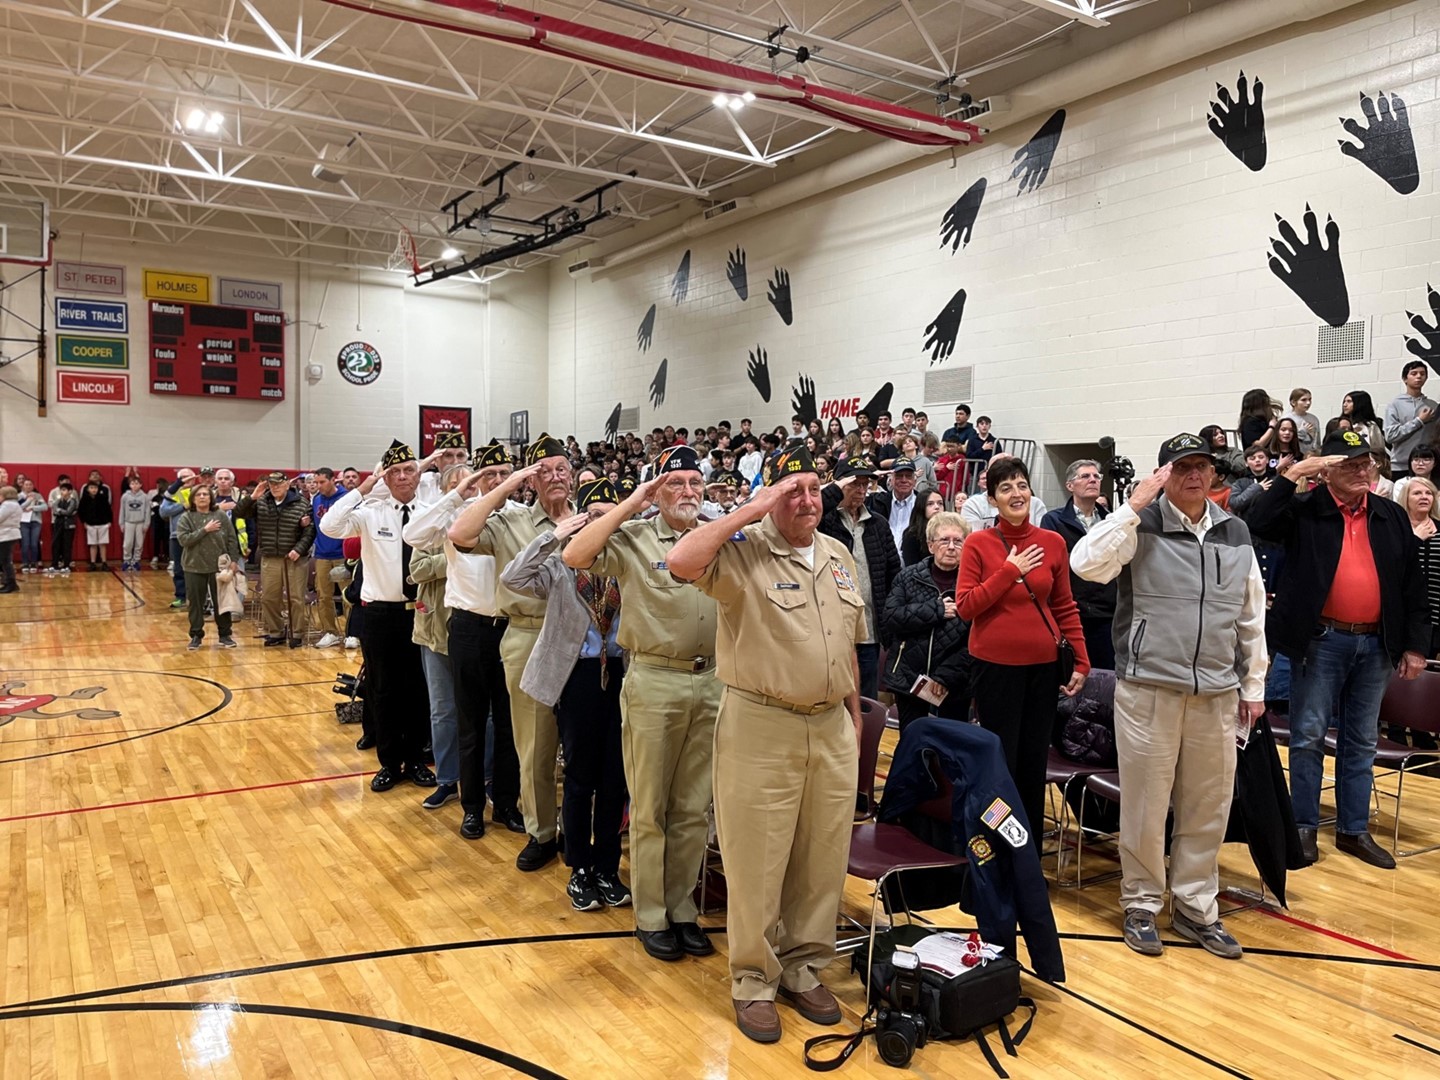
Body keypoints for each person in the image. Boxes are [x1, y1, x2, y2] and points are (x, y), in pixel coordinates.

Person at [668, 445, 864, 1045]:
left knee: (821, 856)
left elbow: (848, 642)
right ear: (772, 497)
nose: (806, 500)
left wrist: (854, 716)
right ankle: (753, 979)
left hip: (832, 726)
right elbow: (680, 561)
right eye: (791, 490)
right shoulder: (743, 553)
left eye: (814, 488)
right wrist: (749, 511)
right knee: (758, 859)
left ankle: (803, 966)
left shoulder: (836, 554)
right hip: (761, 724)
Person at [1071, 433, 1268, 960]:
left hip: (1216, 692)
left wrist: (1254, 685)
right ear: (1163, 475)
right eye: (1182, 467)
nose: (1195, 475)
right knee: (1146, 804)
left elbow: (1251, 614)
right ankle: (1140, 904)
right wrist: (1131, 507)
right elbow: (1085, 564)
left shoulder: (1235, 530)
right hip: (1149, 687)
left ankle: (1196, 905)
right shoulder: (1141, 524)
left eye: (1202, 466)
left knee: (1207, 806)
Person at [562, 445, 721, 961]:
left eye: (695, 483)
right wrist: (633, 502)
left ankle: (682, 908)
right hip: (654, 680)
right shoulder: (634, 537)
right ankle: (651, 913)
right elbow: (575, 556)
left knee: (694, 808)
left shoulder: (715, 536)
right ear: (657, 489)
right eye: (675, 483)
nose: (688, 493)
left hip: (713, 682)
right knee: (651, 806)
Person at [1247, 430, 1430, 870]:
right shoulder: (1306, 509)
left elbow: (1412, 584)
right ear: (1325, 470)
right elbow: (1257, 522)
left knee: (1361, 740)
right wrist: (1292, 475)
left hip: (1376, 643)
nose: (1362, 471)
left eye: (1366, 463)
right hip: (1321, 641)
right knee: (1308, 735)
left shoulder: (1389, 514)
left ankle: (1353, 830)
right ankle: (1304, 827)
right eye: (1349, 464)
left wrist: (1415, 646)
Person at [503, 478, 632, 914]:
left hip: (621, 673)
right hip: (576, 676)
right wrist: (552, 535)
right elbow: (513, 576)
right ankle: (578, 866)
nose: (599, 524)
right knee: (580, 776)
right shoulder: (561, 564)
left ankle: (607, 867)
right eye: (592, 516)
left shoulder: (627, 561)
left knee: (616, 778)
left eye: (607, 517)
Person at [448, 435, 575, 871]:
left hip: (584, 642)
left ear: (572, 474)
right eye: (544, 471)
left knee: (583, 743)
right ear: (531, 480)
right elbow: (460, 533)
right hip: (527, 635)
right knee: (535, 743)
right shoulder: (510, 519)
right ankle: (541, 831)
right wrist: (506, 485)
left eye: (561, 468)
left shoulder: (591, 516)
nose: (555, 477)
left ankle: (578, 831)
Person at [957, 456, 1088, 841]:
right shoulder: (978, 543)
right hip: (995, 669)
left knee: (1032, 762)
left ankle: (1025, 847)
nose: (1016, 493)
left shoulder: (1052, 542)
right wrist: (1009, 572)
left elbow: (1064, 605)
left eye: (1021, 484)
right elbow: (966, 607)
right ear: (993, 500)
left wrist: (1080, 658)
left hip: (1044, 668)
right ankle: (995, 841)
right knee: (1000, 762)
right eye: (1005, 488)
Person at [404, 440, 525, 840]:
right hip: (469, 628)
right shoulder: (453, 518)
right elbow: (412, 534)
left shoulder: (521, 516)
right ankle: (471, 806)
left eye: (503, 475)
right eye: (488, 475)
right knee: (470, 722)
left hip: (511, 627)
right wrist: (459, 491)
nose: (497, 482)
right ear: (475, 480)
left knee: (509, 724)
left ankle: (506, 802)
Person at [320, 440, 438, 793]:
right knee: (383, 690)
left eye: (409, 470)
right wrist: (364, 488)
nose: (402, 477)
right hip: (380, 615)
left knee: (418, 690)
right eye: (394, 472)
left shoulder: (430, 510)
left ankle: (417, 759)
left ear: (419, 475)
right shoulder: (371, 512)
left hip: (419, 613)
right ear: (385, 477)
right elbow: (329, 526)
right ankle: (389, 762)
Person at [407, 463, 465, 812]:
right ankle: (447, 779)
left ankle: (485, 779)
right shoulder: (429, 524)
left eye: (468, 483)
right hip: (434, 631)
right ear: (445, 490)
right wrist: (455, 557)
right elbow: (416, 571)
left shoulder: (491, 520)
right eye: (456, 484)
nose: (463, 490)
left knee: (483, 713)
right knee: (443, 711)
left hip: (474, 628)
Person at [817, 457, 900, 700]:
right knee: (831, 696)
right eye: (855, 484)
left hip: (869, 629)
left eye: (866, 484)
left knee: (866, 699)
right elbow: (810, 508)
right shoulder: (823, 521)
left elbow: (893, 571)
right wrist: (833, 490)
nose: (862, 490)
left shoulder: (879, 524)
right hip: (829, 627)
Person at [880, 511, 972, 730]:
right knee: (912, 743)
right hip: (910, 678)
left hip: (955, 682)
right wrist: (936, 610)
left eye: (958, 541)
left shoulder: (973, 583)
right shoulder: (908, 576)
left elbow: (978, 638)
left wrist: (946, 676)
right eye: (944, 540)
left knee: (951, 748)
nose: (951, 547)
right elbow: (891, 617)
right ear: (931, 545)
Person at [1042, 458, 1117, 670]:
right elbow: (1054, 566)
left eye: (1096, 476)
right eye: (1085, 476)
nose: (1092, 480)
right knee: (1069, 677)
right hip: (1071, 611)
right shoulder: (1053, 520)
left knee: (1104, 680)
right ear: (1070, 486)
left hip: (1106, 612)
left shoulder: (1111, 521)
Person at [1388, 476, 1440, 749]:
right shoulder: (1396, 530)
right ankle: (1395, 725)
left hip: (1434, 615)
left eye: (1428, 493)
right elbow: (1393, 565)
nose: (1424, 497)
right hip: (1402, 613)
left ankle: (1421, 727)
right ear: (1405, 498)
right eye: (1417, 492)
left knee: (1426, 667)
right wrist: (1414, 540)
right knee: (1399, 667)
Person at [236, 472, 315, 647]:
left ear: (287, 484)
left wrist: (298, 549)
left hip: (294, 558)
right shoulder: (262, 501)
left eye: (278, 484)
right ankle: (276, 631)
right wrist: (253, 497)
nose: (274, 487)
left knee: (295, 598)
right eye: (271, 484)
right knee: (269, 597)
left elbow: (309, 531)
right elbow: (238, 513)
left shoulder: (302, 503)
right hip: (270, 556)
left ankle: (296, 633)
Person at [175, 485, 243, 650]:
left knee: (222, 602)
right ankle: (196, 635)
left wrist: (234, 560)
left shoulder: (220, 515)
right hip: (194, 566)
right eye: (199, 494)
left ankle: (225, 635)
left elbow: (232, 539)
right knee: (196, 604)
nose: (203, 497)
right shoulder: (186, 518)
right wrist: (205, 530)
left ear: (211, 498)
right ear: (193, 498)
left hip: (218, 566)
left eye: (206, 494)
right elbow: (184, 540)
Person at [310, 467, 349, 648]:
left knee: (348, 595)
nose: (318, 486)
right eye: (316, 482)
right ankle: (329, 632)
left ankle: (352, 632)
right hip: (322, 554)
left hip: (342, 553)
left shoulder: (345, 497)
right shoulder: (316, 499)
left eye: (322, 482)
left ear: (333, 480)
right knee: (323, 595)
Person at [959, 454, 1049, 530]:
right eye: (1006, 489)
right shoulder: (973, 505)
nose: (1017, 494)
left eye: (1022, 486)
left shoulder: (1036, 504)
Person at [1383, 361, 1438, 481]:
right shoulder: (1394, 405)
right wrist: (1419, 421)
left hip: (1428, 466)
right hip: (1401, 466)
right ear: (1405, 378)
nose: (1418, 376)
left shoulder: (1433, 406)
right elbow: (1390, 436)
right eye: (1414, 373)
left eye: (1422, 374)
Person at [869, 456, 920, 554]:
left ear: (915, 481)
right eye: (899, 476)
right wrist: (870, 478)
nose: (904, 480)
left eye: (908, 476)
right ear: (891, 480)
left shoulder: (924, 503)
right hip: (882, 558)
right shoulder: (876, 501)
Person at [900, 489, 945, 566]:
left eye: (940, 503)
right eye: (930, 504)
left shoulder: (951, 532)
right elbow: (911, 568)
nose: (937, 507)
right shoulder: (912, 535)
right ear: (921, 507)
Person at [77, 478, 112, 571]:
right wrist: (84, 521)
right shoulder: (84, 499)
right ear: (88, 489)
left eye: (95, 488)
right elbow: (80, 511)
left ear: (98, 489)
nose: (94, 489)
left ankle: (104, 562)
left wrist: (109, 521)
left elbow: (109, 510)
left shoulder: (103, 498)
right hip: (90, 524)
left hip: (103, 524)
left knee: (102, 544)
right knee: (93, 544)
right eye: (91, 487)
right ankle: (92, 563)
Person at [118, 476, 149, 572]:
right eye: (132, 483)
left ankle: (136, 560)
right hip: (128, 522)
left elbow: (147, 511)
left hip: (140, 522)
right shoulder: (125, 496)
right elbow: (122, 510)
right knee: (127, 543)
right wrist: (121, 523)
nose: (134, 485)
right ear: (129, 485)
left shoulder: (145, 497)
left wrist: (146, 524)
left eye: (136, 483)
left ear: (140, 485)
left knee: (139, 543)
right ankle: (127, 560)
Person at [48, 480, 78, 575]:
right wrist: (61, 511)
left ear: (70, 491)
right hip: (58, 524)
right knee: (56, 544)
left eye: (64, 490)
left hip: (68, 525)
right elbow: (54, 509)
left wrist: (60, 511)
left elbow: (69, 511)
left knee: (67, 545)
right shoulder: (58, 500)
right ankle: (54, 564)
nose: (62, 492)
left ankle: (66, 565)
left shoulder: (73, 501)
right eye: (61, 490)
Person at [17, 479, 46, 573]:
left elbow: (45, 507)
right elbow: (18, 507)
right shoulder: (19, 496)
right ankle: (25, 562)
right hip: (23, 522)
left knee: (34, 543)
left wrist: (33, 507)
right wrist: (28, 501)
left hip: (35, 522)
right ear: (22, 486)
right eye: (26, 484)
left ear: (33, 486)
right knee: (25, 543)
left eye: (30, 484)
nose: (28, 486)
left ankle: (34, 562)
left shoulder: (37, 495)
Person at [1282, 388, 1320, 455]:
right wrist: (1302, 432)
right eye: (1303, 400)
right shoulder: (1287, 419)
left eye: (1310, 399)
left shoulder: (1313, 419)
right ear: (1293, 402)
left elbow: (1317, 441)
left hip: (1309, 455)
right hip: (1292, 455)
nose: (1308, 403)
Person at [0, 487, 19, 593]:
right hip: (8, 534)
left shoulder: (8, 505)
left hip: (6, 535)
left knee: (5, 561)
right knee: (6, 560)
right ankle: (10, 583)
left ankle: (10, 583)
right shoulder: (13, 504)